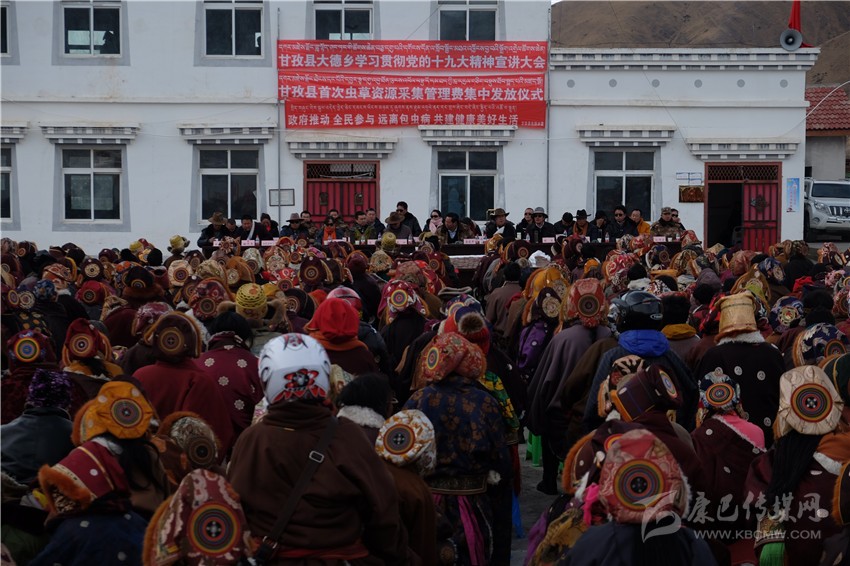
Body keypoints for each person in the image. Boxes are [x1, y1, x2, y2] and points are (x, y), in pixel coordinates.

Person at [227, 334, 413, 563]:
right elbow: (384, 513)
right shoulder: (347, 436)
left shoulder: (251, 440)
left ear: (266, 379)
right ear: (324, 375)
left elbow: (236, 510)